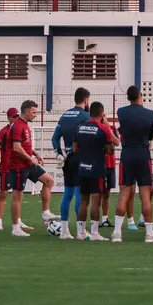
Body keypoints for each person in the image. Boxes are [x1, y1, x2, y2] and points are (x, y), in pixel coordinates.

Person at [111, 85, 153, 243]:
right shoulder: (150, 113)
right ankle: (149, 233)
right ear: (140, 95)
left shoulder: (121, 111)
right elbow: (151, 135)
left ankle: (117, 233)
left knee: (124, 193)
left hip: (127, 154)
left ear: (128, 97)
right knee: (145, 196)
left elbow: (123, 130)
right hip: (143, 153)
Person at [6, 100, 56, 237]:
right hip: (18, 166)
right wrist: (30, 158)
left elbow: (24, 144)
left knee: (48, 181)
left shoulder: (25, 125)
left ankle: (46, 213)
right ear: (27, 111)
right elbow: (16, 147)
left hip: (28, 163)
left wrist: (35, 153)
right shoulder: (17, 125)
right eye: (34, 112)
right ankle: (15, 228)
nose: (35, 115)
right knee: (17, 196)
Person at [52, 87, 90, 238]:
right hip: (80, 157)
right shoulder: (85, 116)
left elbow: (54, 138)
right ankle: (81, 231)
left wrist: (59, 153)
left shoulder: (65, 115)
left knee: (67, 193)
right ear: (86, 99)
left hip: (66, 159)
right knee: (80, 194)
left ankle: (64, 231)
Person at [73, 101, 112, 241]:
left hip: (83, 167)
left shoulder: (79, 127)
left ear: (90, 113)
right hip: (97, 168)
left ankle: (80, 233)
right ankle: (95, 233)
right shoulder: (103, 129)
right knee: (96, 200)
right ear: (101, 114)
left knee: (83, 200)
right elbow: (110, 150)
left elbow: (75, 149)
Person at [0, 108, 32, 232]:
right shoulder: (4, 131)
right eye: (13, 117)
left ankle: (18, 220)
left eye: (17, 116)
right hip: (6, 166)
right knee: (4, 193)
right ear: (8, 118)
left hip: (17, 165)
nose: (16, 118)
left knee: (18, 193)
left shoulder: (20, 128)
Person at [93, 110, 119, 231]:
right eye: (102, 116)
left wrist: (108, 128)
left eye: (105, 115)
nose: (103, 118)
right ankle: (96, 220)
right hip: (99, 164)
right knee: (98, 193)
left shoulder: (112, 128)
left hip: (110, 164)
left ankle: (105, 219)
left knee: (107, 194)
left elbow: (117, 143)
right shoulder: (96, 128)